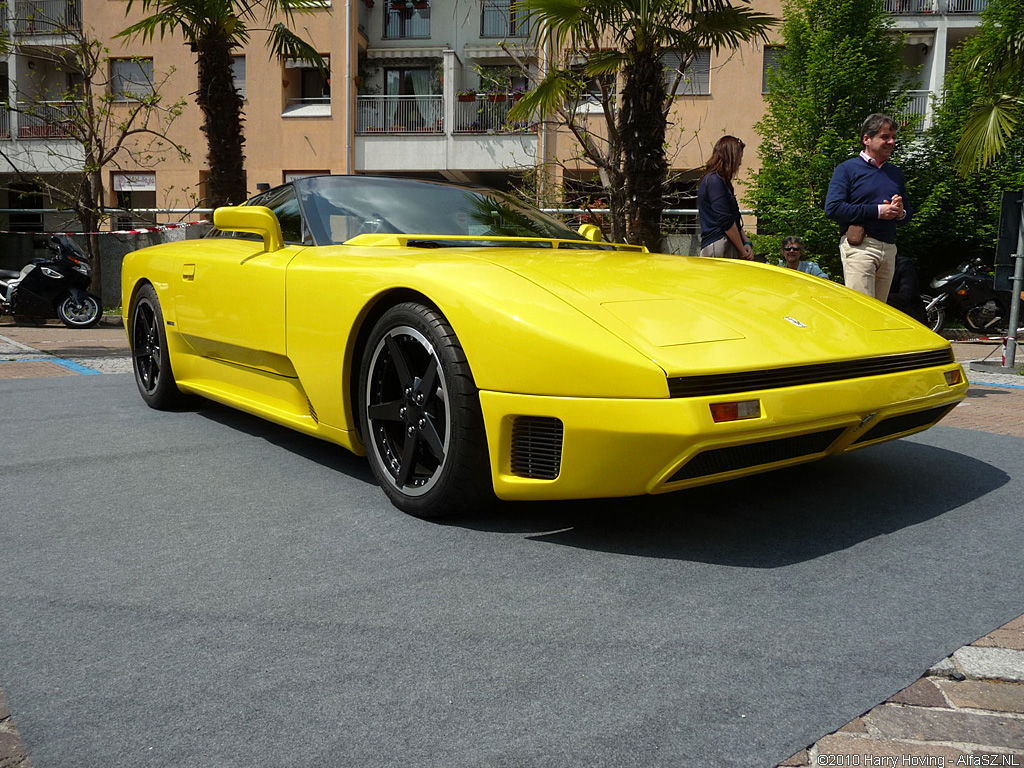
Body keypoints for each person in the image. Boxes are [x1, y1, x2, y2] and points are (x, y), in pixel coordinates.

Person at [824, 113, 911, 301]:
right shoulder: (847, 169)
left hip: (889, 248)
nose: (891, 142)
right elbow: (833, 209)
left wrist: (900, 212)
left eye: (893, 137)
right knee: (862, 309)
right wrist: (878, 211)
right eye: (885, 137)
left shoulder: (895, 173)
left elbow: (907, 216)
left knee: (878, 311)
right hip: (860, 247)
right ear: (866, 139)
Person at [698, 135, 754, 260]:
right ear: (731, 157)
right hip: (718, 244)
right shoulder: (714, 181)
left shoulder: (724, 183)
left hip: (730, 243)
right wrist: (742, 251)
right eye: (739, 157)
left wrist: (746, 242)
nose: (740, 162)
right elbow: (726, 221)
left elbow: (734, 219)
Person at [886, 254, 929, 326]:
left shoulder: (903, 264)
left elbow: (906, 296)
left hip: (910, 319)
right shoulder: (866, 265)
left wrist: (876, 296)